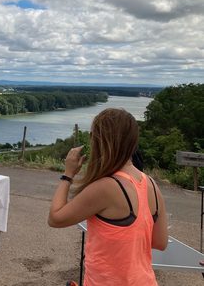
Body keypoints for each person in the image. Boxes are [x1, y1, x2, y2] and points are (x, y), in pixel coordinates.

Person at [48, 108, 168, 285]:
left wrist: (68, 175)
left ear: (99, 142)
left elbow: (55, 218)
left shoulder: (106, 187)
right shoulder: (151, 183)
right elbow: (160, 242)